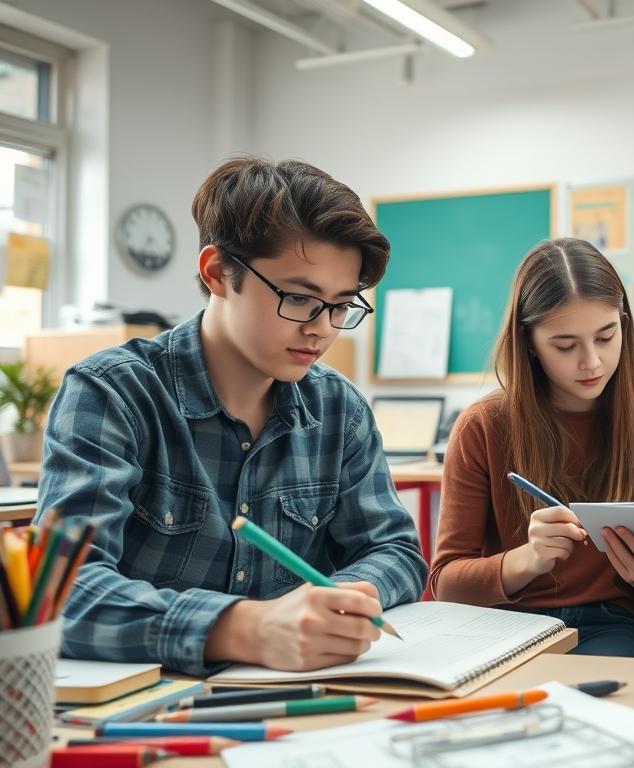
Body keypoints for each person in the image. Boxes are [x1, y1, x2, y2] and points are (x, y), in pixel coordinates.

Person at [43, 157, 427, 675]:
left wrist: (336, 603)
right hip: (150, 714)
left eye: (340, 305)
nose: (322, 330)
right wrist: (248, 627)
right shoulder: (112, 393)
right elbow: (64, 591)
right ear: (218, 272)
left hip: (300, 696)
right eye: (299, 298)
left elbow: (395, 550)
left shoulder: (339, 409)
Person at [431, 238, 634, 656]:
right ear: (529, 343)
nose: (591, 362)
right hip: (502, 624)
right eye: (566, 346)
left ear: (624, 321)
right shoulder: (481, 426)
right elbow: (445, 582)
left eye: (606, 336)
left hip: (610, 622)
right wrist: (527, 559)